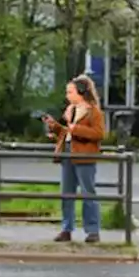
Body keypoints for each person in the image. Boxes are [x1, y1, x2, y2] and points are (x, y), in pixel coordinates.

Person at [43, 75, 105, 244]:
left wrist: (76, 129)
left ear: (81, 92)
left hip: (85, 156)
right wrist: (56, 127)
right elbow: (68, 132)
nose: (67, 95)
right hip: (68, 153)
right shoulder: (71, 110)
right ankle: (66, 229)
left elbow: (99, 134)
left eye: (70, 92)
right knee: (66, 193)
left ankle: (92, 230)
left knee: (88, 193)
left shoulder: (93, 112)